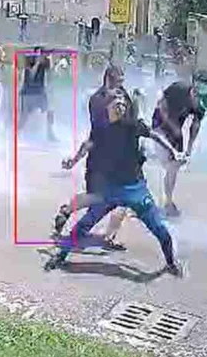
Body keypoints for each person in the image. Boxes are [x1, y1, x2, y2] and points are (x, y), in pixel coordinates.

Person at [45, 91, 185, 276]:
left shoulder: (132, 125)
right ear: (107, 107)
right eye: (116, 103)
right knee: (84, 224)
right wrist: (73, 161)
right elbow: (87, 145)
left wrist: (172, 150)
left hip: (135, 189)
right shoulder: (100, 128)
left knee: (159, 229)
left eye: (123, 104)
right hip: (110, 189)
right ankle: (60, 257)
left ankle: (171, 263)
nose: (121, 107)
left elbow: (154, 135)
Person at [53, 64, 131, 248]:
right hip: (100, 160)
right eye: (117, 82)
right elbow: (95, 136)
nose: (119, 87)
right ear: (108, 79)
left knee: (121, 198)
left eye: (121, 83)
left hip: (120, 158)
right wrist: (75, 159)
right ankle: (67, 211)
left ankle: (108, 235)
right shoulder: (98, 101)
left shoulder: (123, 97)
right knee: (100, 198)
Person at [150, 73, 207, 217]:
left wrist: (189, 148)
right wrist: (172, 127)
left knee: (175, 165)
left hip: (176, 130)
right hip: (159, 125)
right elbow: (161, 107)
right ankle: (158, 199)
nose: (199, 105)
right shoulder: (178, 89)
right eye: (198, 101)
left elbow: (195, 124)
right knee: (170, 163)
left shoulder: (202, 102)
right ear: (194, 93)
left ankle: (167, 201)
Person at [19, 47, 57, 142]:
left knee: (50, 111)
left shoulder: (45, 63)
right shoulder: (29, 60)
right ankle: (17, 134)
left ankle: (50, 133)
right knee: (24, 116)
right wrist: (38, 62)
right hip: (28, 92)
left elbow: (51, 74)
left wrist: (49, 60)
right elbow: (31, 74)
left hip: (40, 92)